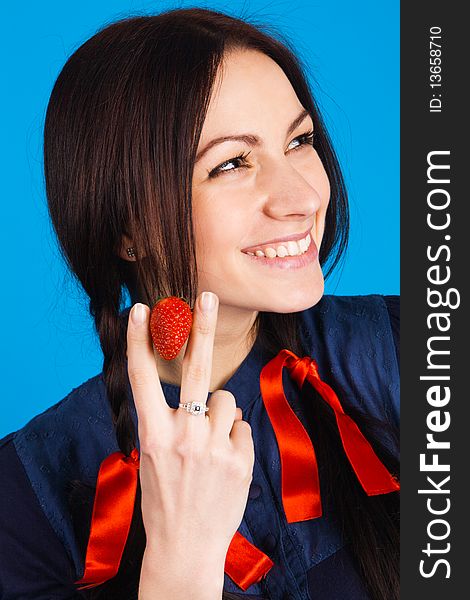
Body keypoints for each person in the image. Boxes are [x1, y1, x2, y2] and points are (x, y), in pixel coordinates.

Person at [0, 7, 400, 600]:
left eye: (300, 140)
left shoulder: (404, 344)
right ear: (126, 229)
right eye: (231, 163)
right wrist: (180, 562)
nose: (300, 196)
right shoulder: (26, 493)